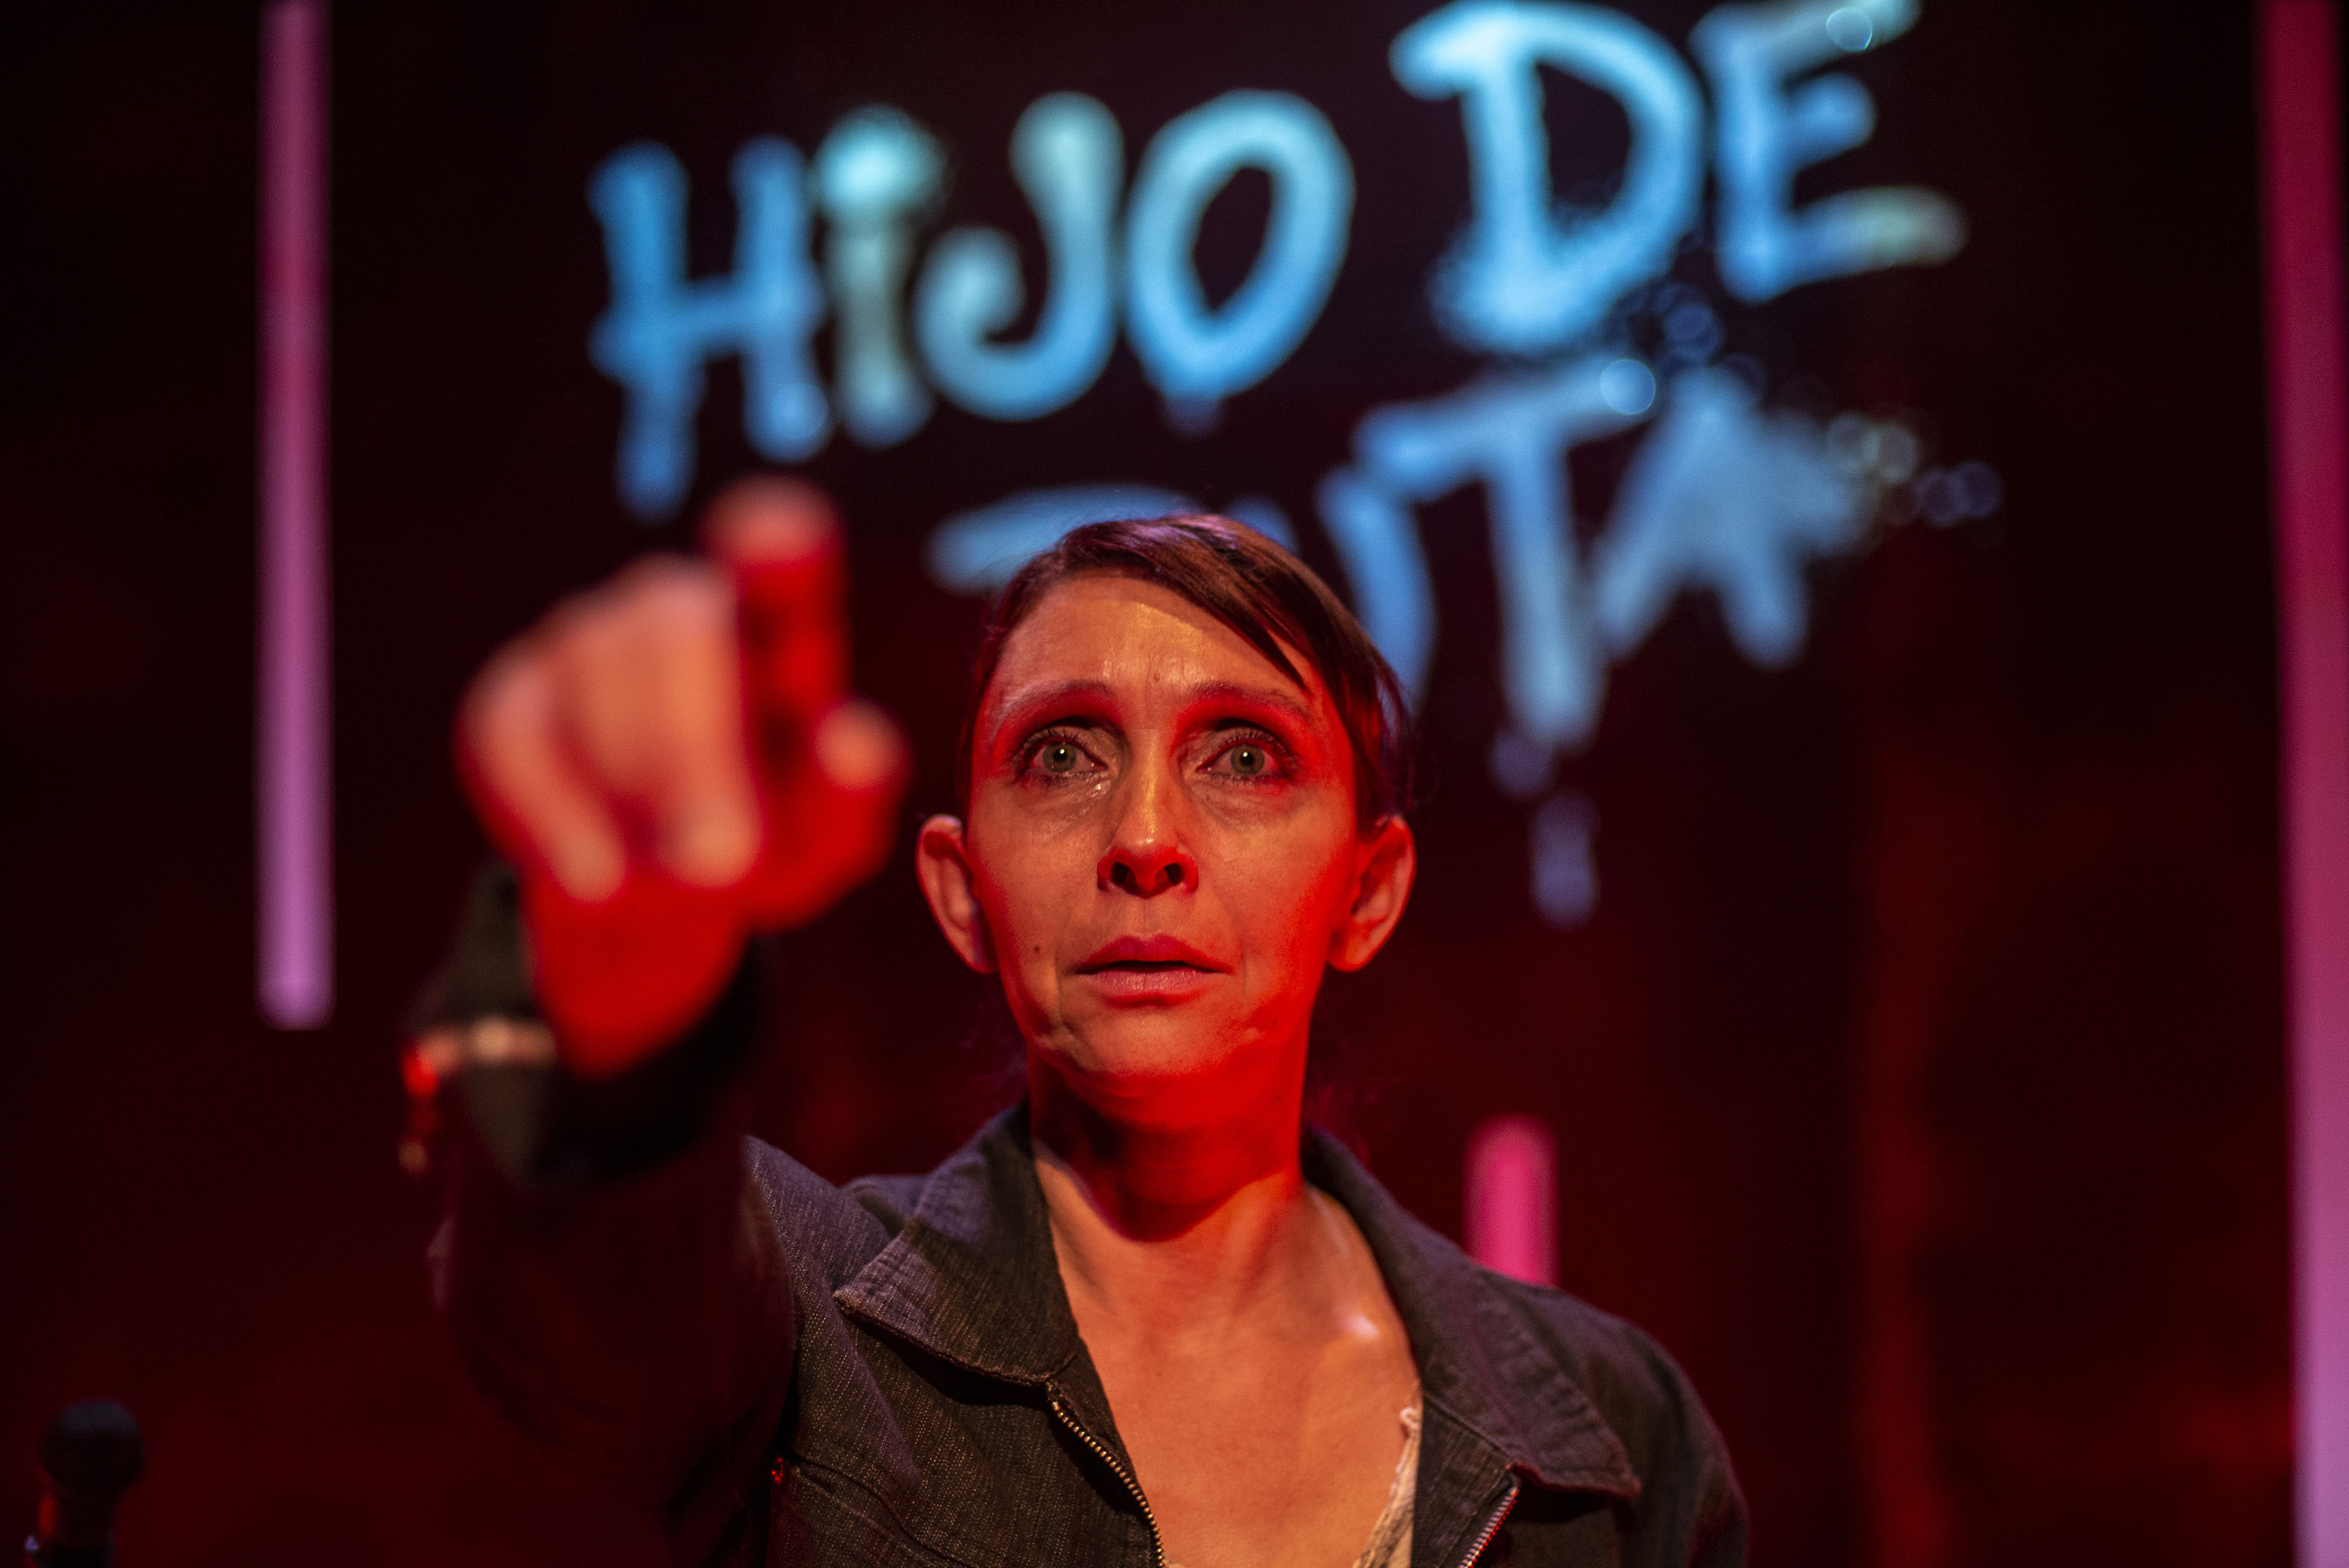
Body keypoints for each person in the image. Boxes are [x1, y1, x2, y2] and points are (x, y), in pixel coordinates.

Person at [413, 477, 1746, 1568]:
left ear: (1368, 891)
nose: (1145, 837)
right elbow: (591, 1293)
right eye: (1062, 755)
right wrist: (619, 1005)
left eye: (1245, 757)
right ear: (962, 892)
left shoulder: (1618, 1444)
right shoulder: (807, 1331)